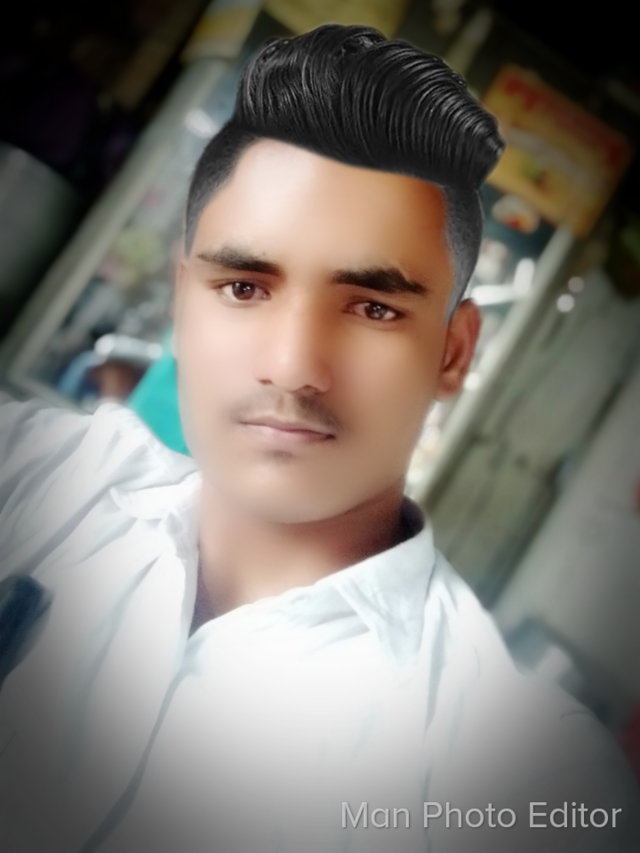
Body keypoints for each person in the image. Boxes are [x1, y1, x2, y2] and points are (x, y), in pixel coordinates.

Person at [0, 23, 638, 853]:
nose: (294, 365)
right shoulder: (34, 476)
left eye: (373, 307)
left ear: (452, 353)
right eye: (243, 287)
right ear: (183, 302)